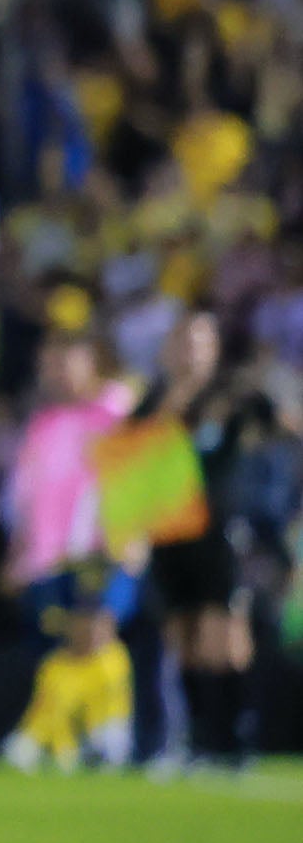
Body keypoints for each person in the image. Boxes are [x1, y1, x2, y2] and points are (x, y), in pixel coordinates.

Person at [108, 312, 279, 771]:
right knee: (182, 635)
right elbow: (128, 456)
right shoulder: (152, 402)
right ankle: (200, 739)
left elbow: (272, 421)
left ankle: (234, 739)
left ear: (214, 349)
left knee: (222, 633)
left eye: (199, 343)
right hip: (170, 531)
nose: (189, 352)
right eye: (182, 342)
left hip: (220, 528)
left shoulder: (231, 395)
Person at [0, 333, 136, 774]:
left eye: (63, 363)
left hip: (102, 544)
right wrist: (19, 550)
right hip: (50, 555)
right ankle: (71, 733)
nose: (53, 374)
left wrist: (135, 534)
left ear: (92, 362)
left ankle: (107, 730)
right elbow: (25, 493)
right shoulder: (46, 423)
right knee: (66, 644)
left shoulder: (119, 409)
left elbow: (144, 471)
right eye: (48, 366)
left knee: (96, 631)